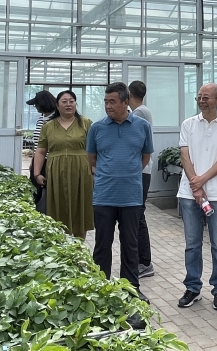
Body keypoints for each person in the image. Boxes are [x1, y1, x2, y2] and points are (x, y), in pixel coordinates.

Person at [88, 82, 154, 301]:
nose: (108, 106)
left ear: (126, 102)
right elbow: (92, 159)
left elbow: (145, 156)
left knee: (130, 246)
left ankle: (131, 290)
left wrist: (129, 173)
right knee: (102, 245)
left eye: (112, 102)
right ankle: (100, 288)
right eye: (106, 102)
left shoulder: (142, 126)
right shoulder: (97, 128)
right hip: (104, 196)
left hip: (131, 197)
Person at [176, 83, 217, 311]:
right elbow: (185, 156)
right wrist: (196, 186)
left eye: (206, 97)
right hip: (189, 193)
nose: (202, 101)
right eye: (199, 97)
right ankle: (192, 287)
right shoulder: (188, 124)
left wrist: (201, 181)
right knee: (192, 244)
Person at [33, 90, 93, 237]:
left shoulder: (86, 123)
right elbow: (40, 151)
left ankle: (79, 245)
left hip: (81, 171)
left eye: (71, 101)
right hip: (55, 172)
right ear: (57, 105)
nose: (68, 104)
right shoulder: (48, 126)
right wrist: (37, 173)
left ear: (76, 104)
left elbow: (96, 148)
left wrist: (94, 167)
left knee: (80, 207)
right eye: (64, 101)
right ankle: (61, 243)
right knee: (57, 206)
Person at [128, 80, 155, 279]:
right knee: (138, 215)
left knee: (138, 215)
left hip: (141, 170)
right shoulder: (143, 111)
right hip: (141, 170)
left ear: (129, 94)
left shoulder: (139, 113)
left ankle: (145, 262)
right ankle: (141, 261)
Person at [27, 90, 57, 213]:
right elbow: (38, 144)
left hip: (49, 161)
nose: (35, 107)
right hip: (39, 160)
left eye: (36, 104)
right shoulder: (42, 118)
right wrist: (33, 162)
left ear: (44, 103)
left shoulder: (56, 119)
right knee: (36, 191)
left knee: (45, 190)